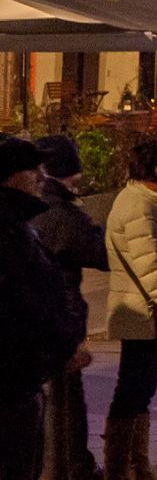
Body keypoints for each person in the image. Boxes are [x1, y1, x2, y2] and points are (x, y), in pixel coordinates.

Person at [0, 136, 87, 480]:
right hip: (11, 386)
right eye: (31, 167)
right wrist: (64, 344)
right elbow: (24, 303)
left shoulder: (19, 224)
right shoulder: (9, 230)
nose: (41, 175)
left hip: (19, 382)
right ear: (9, 176)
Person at [103, 139, 157, 480]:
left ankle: (136, 465)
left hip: (142, 313)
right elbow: (152, 270)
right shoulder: (140, 206)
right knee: (132, 390)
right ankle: (121, 469)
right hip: (140, 314)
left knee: (141, 389)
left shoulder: (147, 201)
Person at [33, 136, 105, 480]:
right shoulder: (60, 214)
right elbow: (98, 250)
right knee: (66, 409)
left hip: (40, 327)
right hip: (60, 325)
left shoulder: (31, 210)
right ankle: (75, 466)